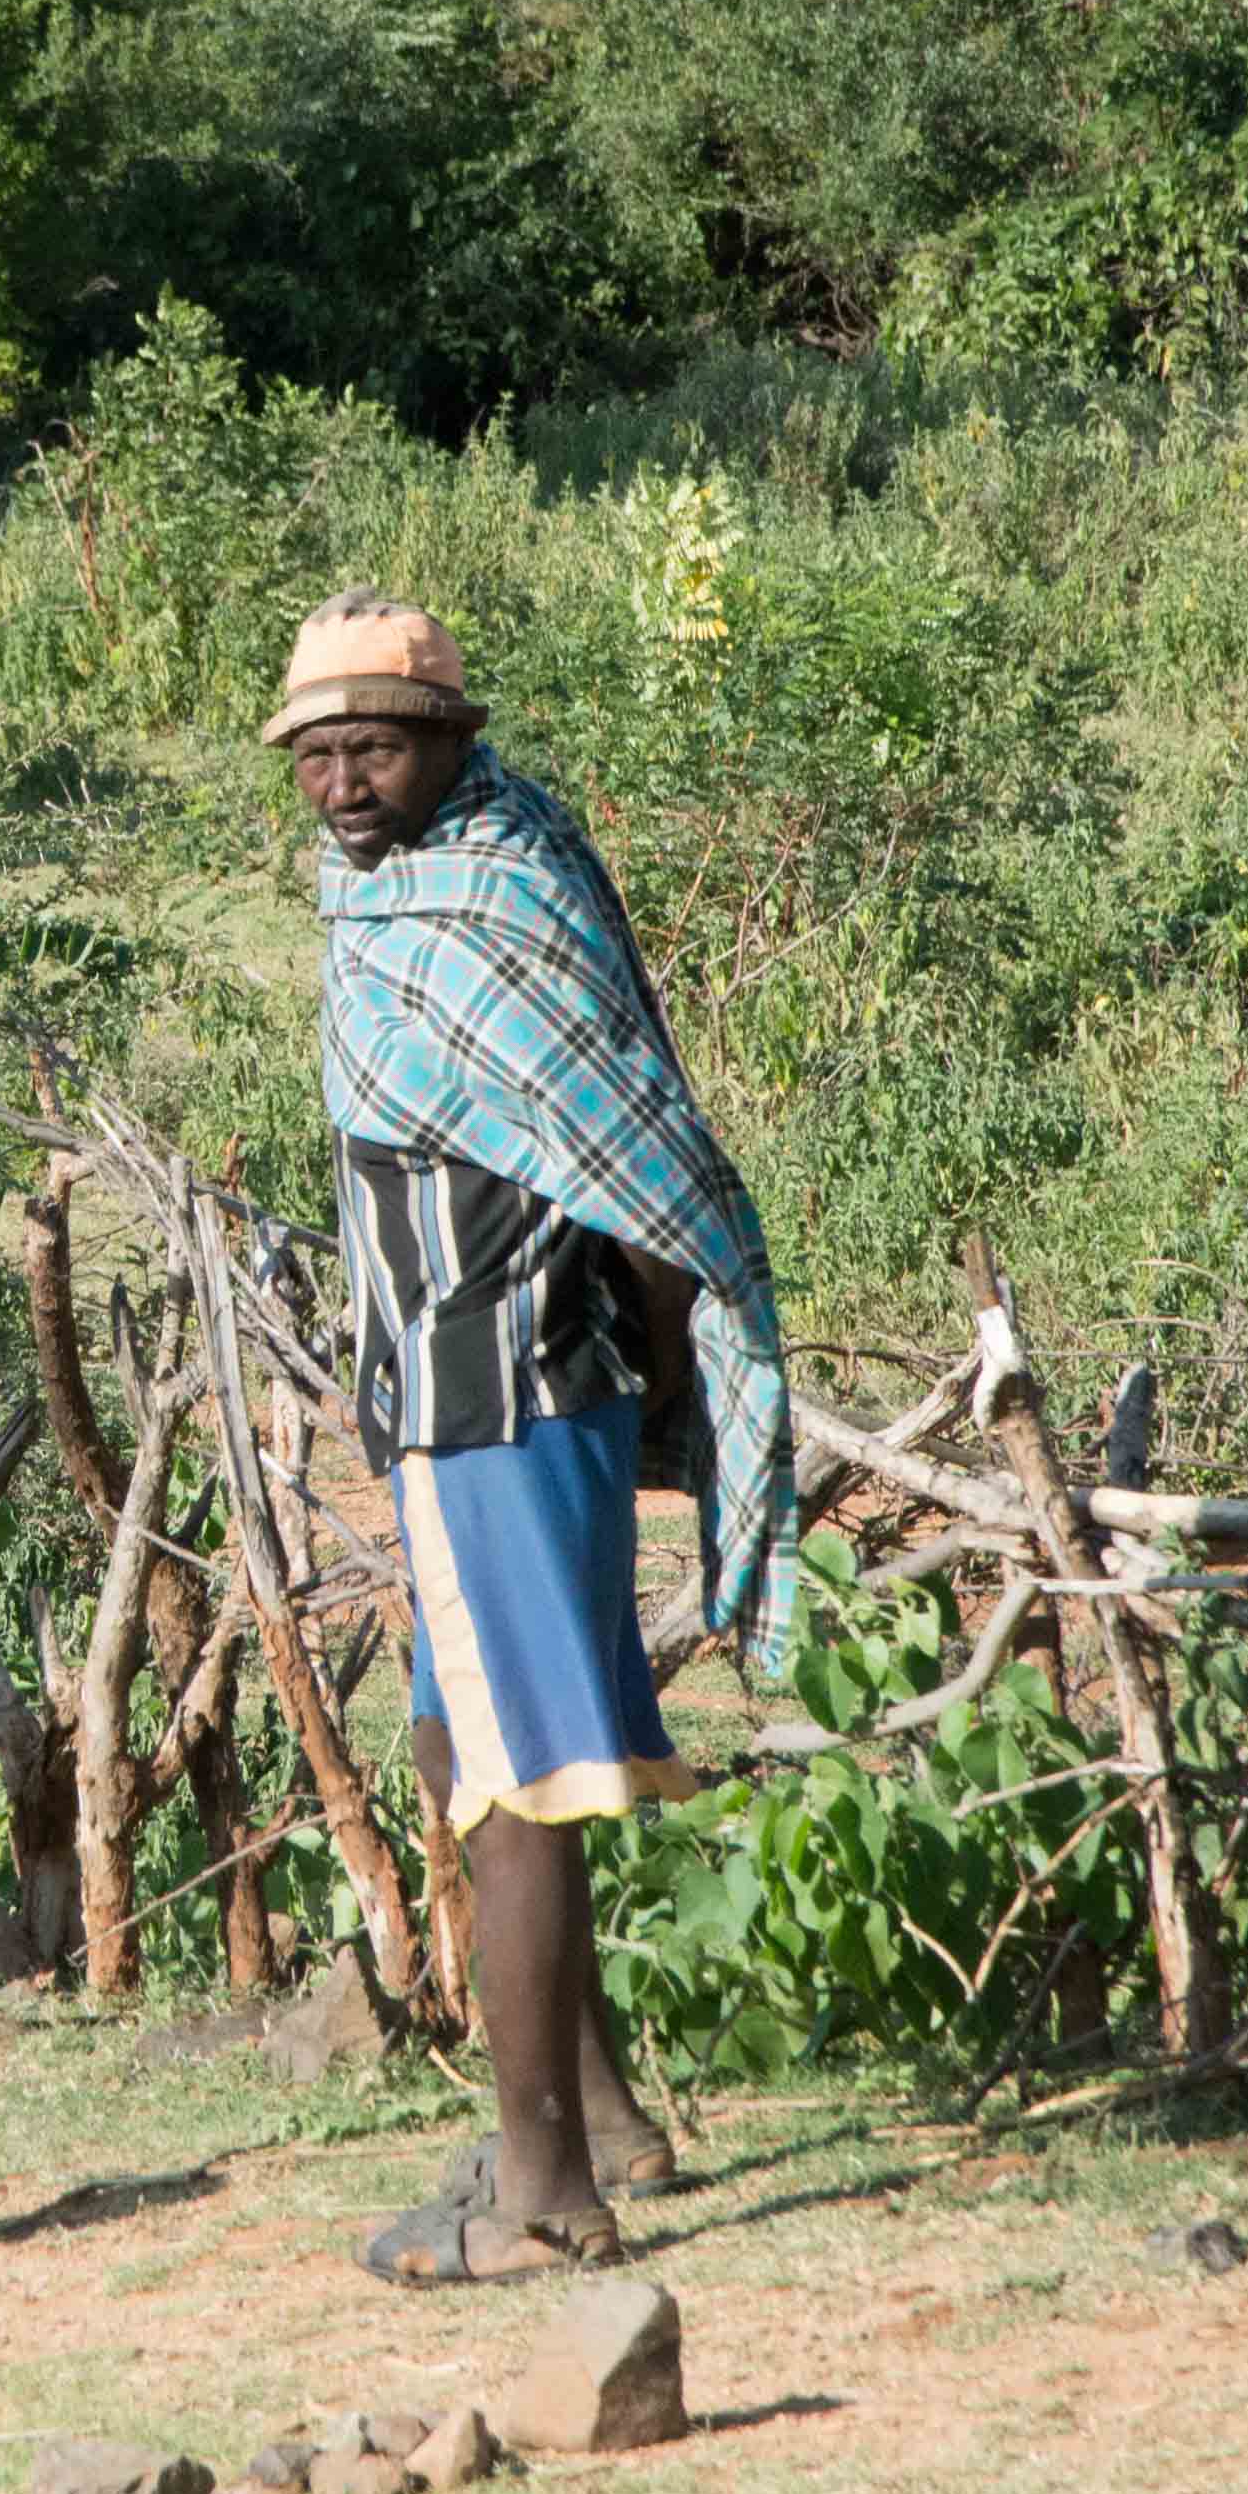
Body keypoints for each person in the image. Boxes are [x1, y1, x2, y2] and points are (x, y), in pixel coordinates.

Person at [271, 592, 797, 2284]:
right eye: (316, 757)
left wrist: (661, 1359)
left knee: (518, 1791)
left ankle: (548, 2187)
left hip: (501, 1386)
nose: (343, 787)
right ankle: (601, 2113)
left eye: (375, 750)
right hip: (454, 1392)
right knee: (460, 1750)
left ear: (452, 741)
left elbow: (629, 1150)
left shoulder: (497, 889)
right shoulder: (399, 881)